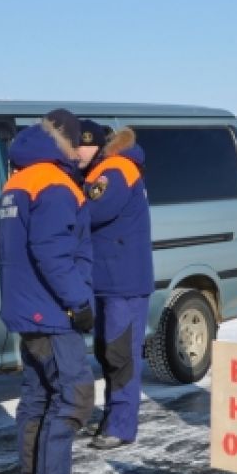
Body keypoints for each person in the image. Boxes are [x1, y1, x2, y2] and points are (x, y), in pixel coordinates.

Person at [0, 108, 99, 474]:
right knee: (74, 394)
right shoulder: (55, 184)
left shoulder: (18, 181)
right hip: (52, 310)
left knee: (38, 395)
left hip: (25, 306)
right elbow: (52, 252)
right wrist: (78, 302)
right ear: (68, 141)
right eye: (80, 141)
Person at [80, 120, 153, 450]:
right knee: (109, 351)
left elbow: (93, 210)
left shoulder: (116, 169)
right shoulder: (103, 170)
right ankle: (115, 417)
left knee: (120, 352)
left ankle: (121, 425)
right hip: (107, 277)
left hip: (122, 280)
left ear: (96, 145)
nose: (74, 152)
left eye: (80, 145)